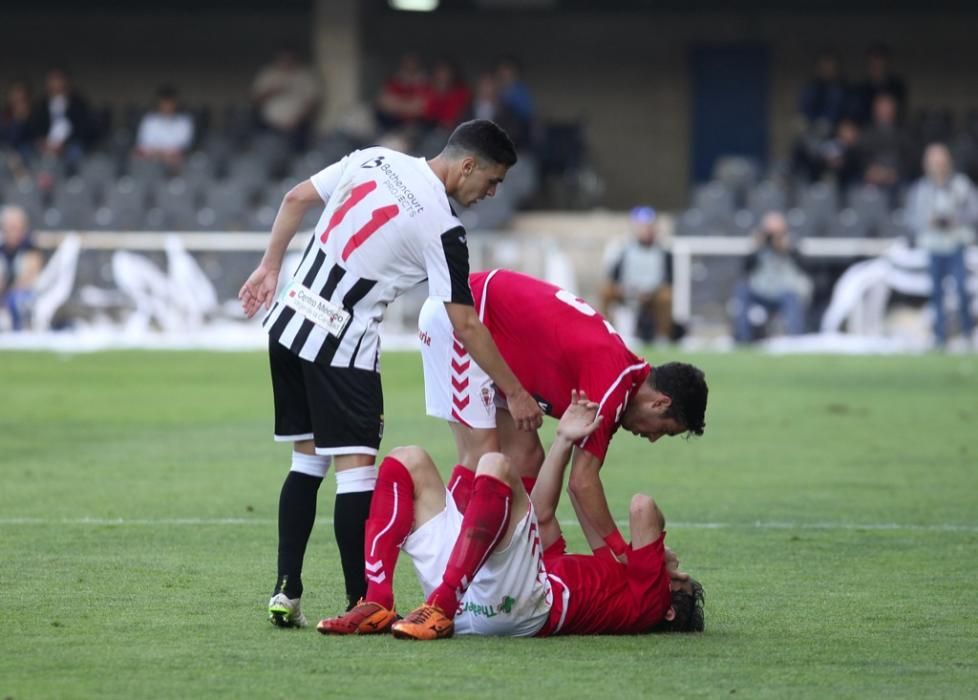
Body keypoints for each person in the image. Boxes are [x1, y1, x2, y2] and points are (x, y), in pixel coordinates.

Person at [238, 119, 544, 628]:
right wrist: (514, 390)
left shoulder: (374, 157)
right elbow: (464, 321)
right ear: (466, 165)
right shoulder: (443, 228)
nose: (491, 193)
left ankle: (286, 589)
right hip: (340, 341)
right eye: (491, 181)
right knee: (356, 474)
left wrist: (270, 266)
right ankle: (365, 599)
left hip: (290, 319)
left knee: (306, 465)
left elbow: (294, 198)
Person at [318, 390, 704, 639]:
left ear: (669, 610)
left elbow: (642, 506)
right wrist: (564, 440)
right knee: (407, 460)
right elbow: (543, 516)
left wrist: (659, 558)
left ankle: (442, 602)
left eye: (682, 581)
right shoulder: (606, 579)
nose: (677, 570)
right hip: (485, 598)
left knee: (496, 464)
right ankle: (379, 600)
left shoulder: (648, 599)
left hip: (519, 608)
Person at [408, 268, 706, 573]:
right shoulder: (614, 387)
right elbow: (581, 483)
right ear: (660, 403)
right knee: (480, 454)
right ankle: (449, 575)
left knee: (528, 456)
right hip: (463, 317)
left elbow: (581, 487)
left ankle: (525, 565)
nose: (654, 438)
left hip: (491, 335)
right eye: (665, 431)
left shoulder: (622, 380)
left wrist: (608, 562)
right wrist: (622, 555)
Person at [906, 143, 978, 348]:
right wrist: (928, 222)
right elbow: (912, 219)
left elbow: (974, 212)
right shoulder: (921, 188)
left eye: (941, 160)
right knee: (937, 294)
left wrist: (958, 220)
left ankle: (966, 334)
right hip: (933, 246)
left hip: (956, 244)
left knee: (962, 290)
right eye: (933, 161)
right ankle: (939, 337)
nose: (937, 165)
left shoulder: (962, 185)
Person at [733, 211, 812, 343]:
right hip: (760, 292)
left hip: (784, 293)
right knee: (742, 290)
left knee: (792, 297)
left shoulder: (791, 243)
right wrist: (757, 247)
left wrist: (787, 249)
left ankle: (796, 340)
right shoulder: (760, 245)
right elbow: (745, 268)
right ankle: (742, 340)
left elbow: (805, 268)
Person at [599, 205, 674, 343]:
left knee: (666, 295)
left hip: (651, 294)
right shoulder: (624, 249)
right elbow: (614, 275)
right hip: (627, 290)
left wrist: (649, 291)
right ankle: (607, 332)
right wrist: (622, 288)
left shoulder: (664, 252)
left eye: (649, 226)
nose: (646, 230)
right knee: (606, 290)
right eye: (642, 226)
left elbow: (668, 279)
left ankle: (662, 337)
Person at [251, 50, 322, 150]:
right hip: (268, 126)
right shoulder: (268, 73)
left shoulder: (304, 75)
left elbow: (313, 102)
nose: (286, 62)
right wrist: (273, 91)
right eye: (283, 59)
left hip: (297, 126)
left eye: (289, 59)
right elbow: (256, 100)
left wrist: (297, 120)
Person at [30, 68, 96, 173]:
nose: (56, 84)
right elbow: (35, 128)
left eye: (59, 80)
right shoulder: (41, 105)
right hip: (45, 146)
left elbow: (85, 130)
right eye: (53, 80)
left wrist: (65, 145)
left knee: (76, 153)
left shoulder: (78, 104)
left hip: (69, 146)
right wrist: (43, 142)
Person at [0, 205, 44, 331]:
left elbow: (29, 277)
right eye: (10, 226)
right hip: (4, 292)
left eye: (17, 226)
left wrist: (9, 290)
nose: (14, 230)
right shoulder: (2, 248)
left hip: (23, 294)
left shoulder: (30, 247)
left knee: (16, 299)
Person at [134, 86, 195, 172]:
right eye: (164, 102)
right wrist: (163, 155)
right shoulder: (149, 120)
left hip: (176, 164)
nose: (167, 106)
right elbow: (143, 147)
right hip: (151, 162)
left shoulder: (184, 121)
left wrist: (163, 154)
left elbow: (183, 148)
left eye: (170, 102)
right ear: (158, 103)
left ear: (175, 103)